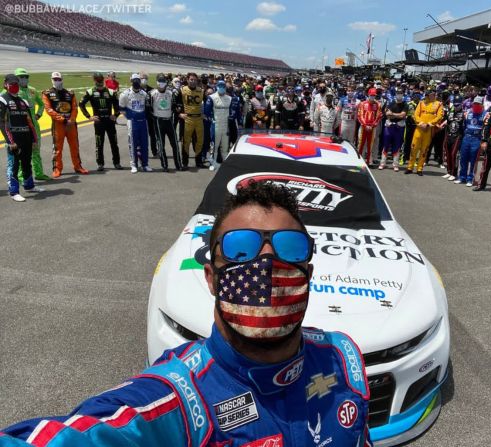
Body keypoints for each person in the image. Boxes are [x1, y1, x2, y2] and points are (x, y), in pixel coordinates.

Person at [0, 181, 372, 446]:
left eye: (289, 247)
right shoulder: (177, 399)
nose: (267, 262)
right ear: (212, 278)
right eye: (240, 249)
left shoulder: (343, 357)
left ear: (307, 273)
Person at [1, 74, 44, 202]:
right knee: (13, 165)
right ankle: (14, 191)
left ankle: (29, 185)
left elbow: (29, 121)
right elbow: (2, 123)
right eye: (12, 84)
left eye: (16, 83)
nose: (14, 86)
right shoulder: (2, 100)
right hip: (13, 139)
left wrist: (34, 139)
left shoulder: (23, 101)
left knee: (26, 163)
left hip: (26, 137)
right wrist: (10, 141)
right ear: (6, 84)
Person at [42, 71, 89, 178]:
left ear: (62, 80)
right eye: (55, 79)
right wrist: (62, 119)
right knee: (57, 148)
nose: (57, 81)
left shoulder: (70, 93)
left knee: (75, 146)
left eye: (59, 79)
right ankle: (57, 169)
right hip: (58, 124)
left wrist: (71, 119)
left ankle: (78, 166)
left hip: (71, 124)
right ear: (51, 80)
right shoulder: (47, 93)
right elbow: (48, 109)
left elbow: (75, 108)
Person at [9, 68, 51, 180]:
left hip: (34, 127)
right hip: (21, 127)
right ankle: (22, 176)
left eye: (26, 77)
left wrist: (38, 115)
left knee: (36, 150)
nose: (24, 79)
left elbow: (42, 104)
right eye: (21, 77)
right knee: (22, 153)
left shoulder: (32, 90)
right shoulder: (14, 93)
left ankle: (39, 173)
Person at [79, 72, 122, 171]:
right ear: (94, 81)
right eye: (97, 80)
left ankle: (117, 163)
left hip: (109, 122)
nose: (99, 82)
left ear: (103, 80)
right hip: (99, 122)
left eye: (100, 80)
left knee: (114, 143)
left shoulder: (111, 92)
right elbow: (81, 104)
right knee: (99, 143)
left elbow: (118, 106)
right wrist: (89, 116)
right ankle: (100, 164)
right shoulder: (90, 92)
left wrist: (115, 115)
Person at [405, 86, 444, 176]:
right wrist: (421, 123)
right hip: (419, 128)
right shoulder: (421, 103)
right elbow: (416, 114)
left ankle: (419, 168)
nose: (431, 95)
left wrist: (429, 124)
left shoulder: (438, 104)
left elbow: (439, 116)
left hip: (429, 129)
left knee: (424, 150)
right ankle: (410, 167)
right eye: (429, 94)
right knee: (414, 148)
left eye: (433, 94)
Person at [119, 73, 152, 173]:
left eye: (138, 80)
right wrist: (130, 118)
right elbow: (122, 109)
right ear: (131, 81)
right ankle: (133, 165)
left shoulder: (144, 94)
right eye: (134, 80)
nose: (136, 82)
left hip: (143, 122)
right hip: (132, 122)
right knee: (132, 144)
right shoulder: (124, 94)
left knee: (144, 144)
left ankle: (145, 164)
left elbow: (147, 108)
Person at [150, 73, 182, 172]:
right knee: (161, 145)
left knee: (175, 144)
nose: (162, 83)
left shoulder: (171, 93)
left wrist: (177, 109)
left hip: (169, 121)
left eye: (163, 81)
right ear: (157, 82)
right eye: (160, 81)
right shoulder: (152, 94)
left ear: (167, 82)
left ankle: (178, 165)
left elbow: (176, 105)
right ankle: (164, 165)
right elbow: (149, 109)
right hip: (158, 121)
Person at [455, 96, 485, 186]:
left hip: (476, 138)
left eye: (478, 104)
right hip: (466, 137)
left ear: (481, 105)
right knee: (463, 158)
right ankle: (462, 177)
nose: (475, 105)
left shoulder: (485, 114)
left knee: (473, 160)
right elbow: (463, 125)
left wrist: (483, 141)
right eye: (474, 103)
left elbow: (485, 128)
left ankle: (470, 179)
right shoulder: (468, 112)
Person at [176, 72, 204, 169]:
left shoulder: (201, 91)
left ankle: (199, 162)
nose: (193, 81)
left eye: (194, 80)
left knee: (199, 141)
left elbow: (207, 104)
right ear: (187, 80)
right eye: (191, 79)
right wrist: (179, 114)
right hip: (188, 119)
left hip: (199, 119)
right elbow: (175, 104)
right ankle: (185, 163)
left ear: (197, 81)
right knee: (186, 141)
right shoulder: (182, 90)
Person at [208, 80, 232, 171]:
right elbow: (207, 112)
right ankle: (213, 163)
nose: (221, 88)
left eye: (223, 86)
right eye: (220, 86)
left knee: (225, 146)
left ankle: (225, 164)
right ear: (217, 86)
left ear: (225, 87)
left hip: (225, 126)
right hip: (216, 125)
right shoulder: (211, 97)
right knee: (214, 146)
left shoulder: (229, 98)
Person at [378, 93, 406, 171]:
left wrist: (393, 114)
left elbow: (403, 115)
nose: (399, 96)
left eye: (400, 94)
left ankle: (395, 164)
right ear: (396, 95)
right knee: (386, 145)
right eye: (398, 94)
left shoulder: (405, 104)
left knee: (397, 146)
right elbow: (387, 114)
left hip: (399, 127)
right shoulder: (391, 103)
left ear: (402, 95)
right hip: (389, 127)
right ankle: (382, 163)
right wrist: (397, 115)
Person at [442, 94, 464, 181]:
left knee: (453, 154)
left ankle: (454, 173)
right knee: (447, 154)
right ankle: (448, 171)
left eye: (457, 105)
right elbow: (447, 121)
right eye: (454, 105)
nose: (456, 106)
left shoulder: (464, 113)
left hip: (457, 136)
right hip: (448, 135)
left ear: (461, 104)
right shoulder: (450, 112)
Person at [357, 88, 382, 166]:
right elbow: (359, 115)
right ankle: (359, 161)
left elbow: (379, 116)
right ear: (368, 95)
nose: (372, 97)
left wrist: (372, 125)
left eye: (374, 95)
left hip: (372, 128)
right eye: (371, 95)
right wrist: (365, 125)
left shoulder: (378, 104)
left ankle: (368, 161)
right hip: (363, 127)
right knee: (361, 144)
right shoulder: (362, 104)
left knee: (370, 145)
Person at [140, 72, 158, 157]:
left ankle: (154, 151)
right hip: (140, 116)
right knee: (142, 135)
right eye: (142, 78)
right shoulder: (137, 90)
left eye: (145, 78)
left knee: (152, 134)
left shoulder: (152, 90)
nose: (144, 80)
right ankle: (143, 152)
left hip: (150, 115)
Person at [401, 88, 420, 166]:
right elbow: (405, 113)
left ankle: (414, 159)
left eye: (418, 96)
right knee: (406, 142)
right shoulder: (409, 104)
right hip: (408, 125)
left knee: (415, 144)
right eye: (415, 96)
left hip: (417, 126)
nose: (416, 97)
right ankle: (403, 158)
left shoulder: (420, 105)